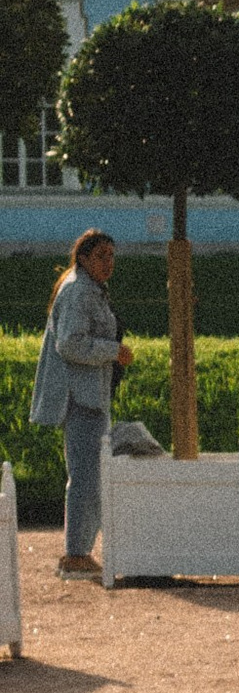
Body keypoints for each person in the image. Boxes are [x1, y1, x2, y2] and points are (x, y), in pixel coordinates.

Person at [29, 226, 130, 576]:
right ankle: (75, 554)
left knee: (89, 475)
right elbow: (70, 344)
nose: (109, 263)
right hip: (80, 395)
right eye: (102, 256)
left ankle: (79, 552)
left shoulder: (87, 288)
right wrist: (113, 351)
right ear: (83, 258)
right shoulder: (80, 291)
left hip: (89, 393)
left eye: (112, 256)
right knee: (86, 477)